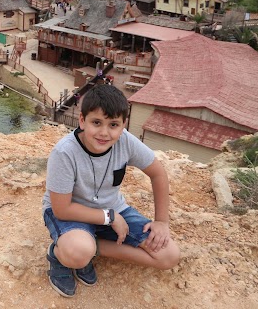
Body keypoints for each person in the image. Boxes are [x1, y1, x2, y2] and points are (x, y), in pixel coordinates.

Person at [42, 84, 180, 298]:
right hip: (71, 213)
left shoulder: (125, 142)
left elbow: (158, 173)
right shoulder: (64, 152)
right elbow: (61, 209)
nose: (104, 133)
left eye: (113, 124)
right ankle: (60, 255)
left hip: (112, 208)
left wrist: (162, 221)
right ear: (82, 120)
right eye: (96, 122)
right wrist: (109, 217)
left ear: (123, 125)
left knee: (168, 255)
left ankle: (93, 248)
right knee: (78, 252)